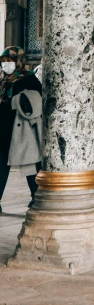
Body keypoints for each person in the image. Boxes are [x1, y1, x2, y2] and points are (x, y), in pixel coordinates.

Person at [0, 47, 42, 211]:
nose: (5, 65)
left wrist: (14, 102)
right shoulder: (5, 79)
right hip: (3, 129)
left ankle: (36, 197)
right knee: (1, 165)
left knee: (30, 165)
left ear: (18, 60)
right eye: (3, 62)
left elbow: (36, 103)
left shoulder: (29, 79)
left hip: (22, 129)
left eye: (8, 61)